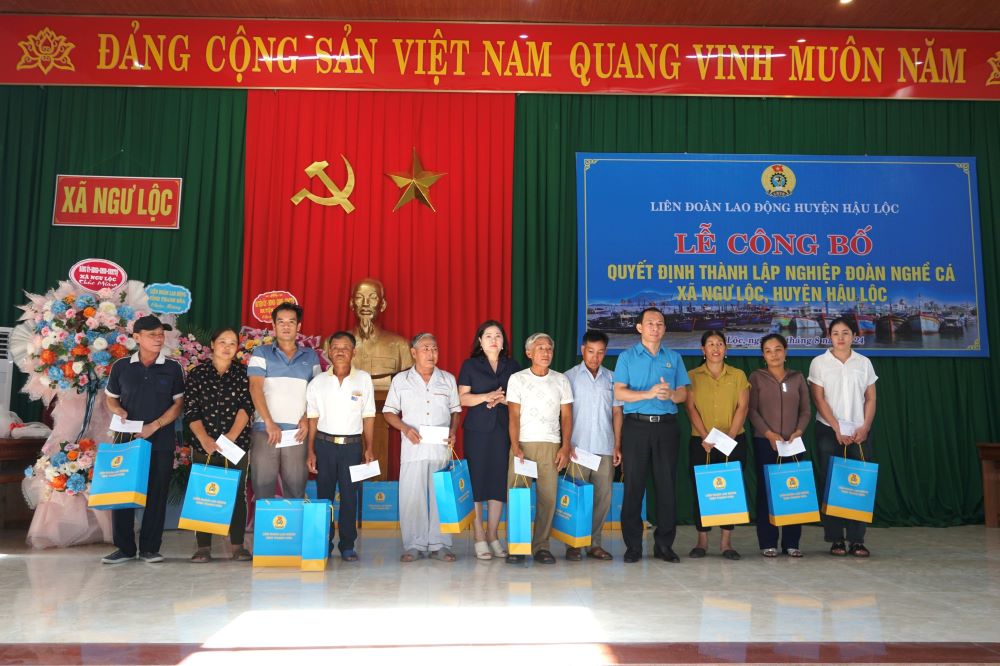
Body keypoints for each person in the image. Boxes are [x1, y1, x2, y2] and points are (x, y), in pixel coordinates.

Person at [102, 315, 185, 564]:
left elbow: (178, 404)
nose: (159, 338)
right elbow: (111, 398)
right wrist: (117, 410)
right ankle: (124, 548)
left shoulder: (172, 367)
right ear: (136, 338)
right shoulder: (121, 366)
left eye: (161, 334)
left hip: (161, 439)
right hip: (126, 440)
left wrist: (155, 425)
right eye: (153, 334)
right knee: (123, 492)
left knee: (157, 492)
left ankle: (150, 548)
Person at [613, 307, 689, 564]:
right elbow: (620, 393)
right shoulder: (626, 357)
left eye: (660, 323)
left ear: (665, 328)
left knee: (666, 486)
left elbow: (683, 394)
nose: (655, 327)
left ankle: (664, 545)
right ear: (639, 328)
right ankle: (633, 546)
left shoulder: (674, 358)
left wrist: (672, 396)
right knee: (634, 486)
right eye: (650, 323)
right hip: (636, 427)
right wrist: (647, 394)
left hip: (666, 427)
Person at [383, 333, 462, 562]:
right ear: (413, 352)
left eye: (435, 349)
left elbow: (455, 411)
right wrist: (405, 429)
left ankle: (441, 545)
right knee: (412, 497)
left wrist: (453, 430)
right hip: (413, 449)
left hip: (440, 449)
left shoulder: (448, 379)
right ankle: (413, 545)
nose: (431, 353)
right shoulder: (401, 380)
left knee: (441, 498)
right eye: (425, 348)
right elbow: (388, 412)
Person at [809, 317, 878, 558]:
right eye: (836, 333)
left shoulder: (864, 363)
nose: (840, 337)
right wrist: (837, 427)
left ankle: (857, 539)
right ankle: (836, 538)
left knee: (860, 482)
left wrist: (865, 426)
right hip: (829, 429)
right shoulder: (819, 363)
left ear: (854, 336)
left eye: (845, 333)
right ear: (829, 336)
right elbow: (818, 399)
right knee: (831, 482)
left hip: (859, 431)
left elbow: (870, 397)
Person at [184, 328, 254, 563]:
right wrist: (204, 439)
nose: (227, 346)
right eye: (222, 342)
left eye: (232, 343)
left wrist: (231, 437)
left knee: (237, 493)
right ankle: (203, 547)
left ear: (237, 348)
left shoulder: (244, 374)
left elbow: (247, 407)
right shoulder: (197, 373)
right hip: (204, 443)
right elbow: (191, 409)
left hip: (236, 444)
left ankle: (238, 545)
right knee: (204, 491)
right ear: (212, 344)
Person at [306, 331, 376, 562]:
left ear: (354, 352)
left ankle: (347, 545)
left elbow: (369, 416)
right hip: (324, 445)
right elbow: (312, 418)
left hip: (352, 447)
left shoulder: (363, 379)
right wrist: (310, 451)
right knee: (324, 496)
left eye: (346, 347)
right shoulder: (318, 382)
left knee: (349, 497)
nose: (340, 351)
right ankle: (324, 542)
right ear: (328, 352)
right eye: (335, 347)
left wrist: (369, 448)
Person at [506, 333, 574, 565]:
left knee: (548, 498)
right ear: (529, 354)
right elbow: (513, 415)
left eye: (549, 348)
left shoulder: (561, 380)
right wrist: (515, 445)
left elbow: (566, 416)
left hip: (551, 445)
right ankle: (517, 546)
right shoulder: (517, 379)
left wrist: (565, 446)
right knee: (518, 496)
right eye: (540, 348)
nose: (546, 353)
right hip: (523, 444)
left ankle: (541, 547)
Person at [684, 330, 750, 560]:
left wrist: (729, 437)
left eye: (719, 343)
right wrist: (705, 437)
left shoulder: (738, 375)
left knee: (730, 491)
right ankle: (702, 541)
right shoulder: (691, 376)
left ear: (726, 348)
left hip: (733, 440)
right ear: (702, 350)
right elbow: (690, 408)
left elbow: (743, 407)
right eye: (710, 344)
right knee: (702, 491)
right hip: (701, 442)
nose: (715, 348)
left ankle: (726, 543)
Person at [457, 320, 520, 560]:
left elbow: (518, 399)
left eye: (498, 336)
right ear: (480, 341)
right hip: (477, 432)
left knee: (497, 483)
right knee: (477, 483)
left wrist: (501, 400)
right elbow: (463, 399)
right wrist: (486, 396)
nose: (494, 340)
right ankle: (479, 536)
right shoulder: (471, 365)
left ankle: (494, 535)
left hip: (504, 431)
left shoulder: (512, 366)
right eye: (489, 336)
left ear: (504, 341)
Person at [247, 302, 321, 500]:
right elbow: (255, 388)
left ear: (299, 326)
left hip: (297, 432)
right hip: (266, 430)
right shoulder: (261, 353)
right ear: (273, 325)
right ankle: (265, 531)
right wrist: (269, 423)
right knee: (262, 488)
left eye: (291, 322)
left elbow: (317, 393)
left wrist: (306, 418)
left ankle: (292, 531)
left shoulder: (311, 356)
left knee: (296, 489)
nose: (286, 326)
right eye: (281, 322)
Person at [749, 333, 811, 558]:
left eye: (778, 349)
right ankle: (768, 542)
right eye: (768, 350)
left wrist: (798, 432)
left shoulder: (797, 377)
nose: (773, 354)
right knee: (767, 493)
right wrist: (768, 434)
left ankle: (792, 542)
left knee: (793, 490)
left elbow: (806, 411)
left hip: (793, 443)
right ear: (763, 355)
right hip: (765, 442)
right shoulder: (756, 377)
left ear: (785, 352)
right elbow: (752, 411)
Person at [563, 330, 623, 561]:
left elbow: (617, 412)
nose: (595, 357)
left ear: (605, 352)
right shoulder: (569, 377)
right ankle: (573, 544)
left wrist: (617, 445)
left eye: (600, 353)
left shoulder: (613, 378)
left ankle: (594, 544)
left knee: (602, 499)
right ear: (582, 350)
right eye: (590, 352)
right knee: (575, 497)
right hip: (577, 449)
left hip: (605, 448)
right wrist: (566, 445)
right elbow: (563, 415)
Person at [348, 277, 412, 391]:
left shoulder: (401, 346)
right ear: (352, 304)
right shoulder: (332, 344)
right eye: (359, 297)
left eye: (373, 298)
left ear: (383, 305)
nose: (365, 303)